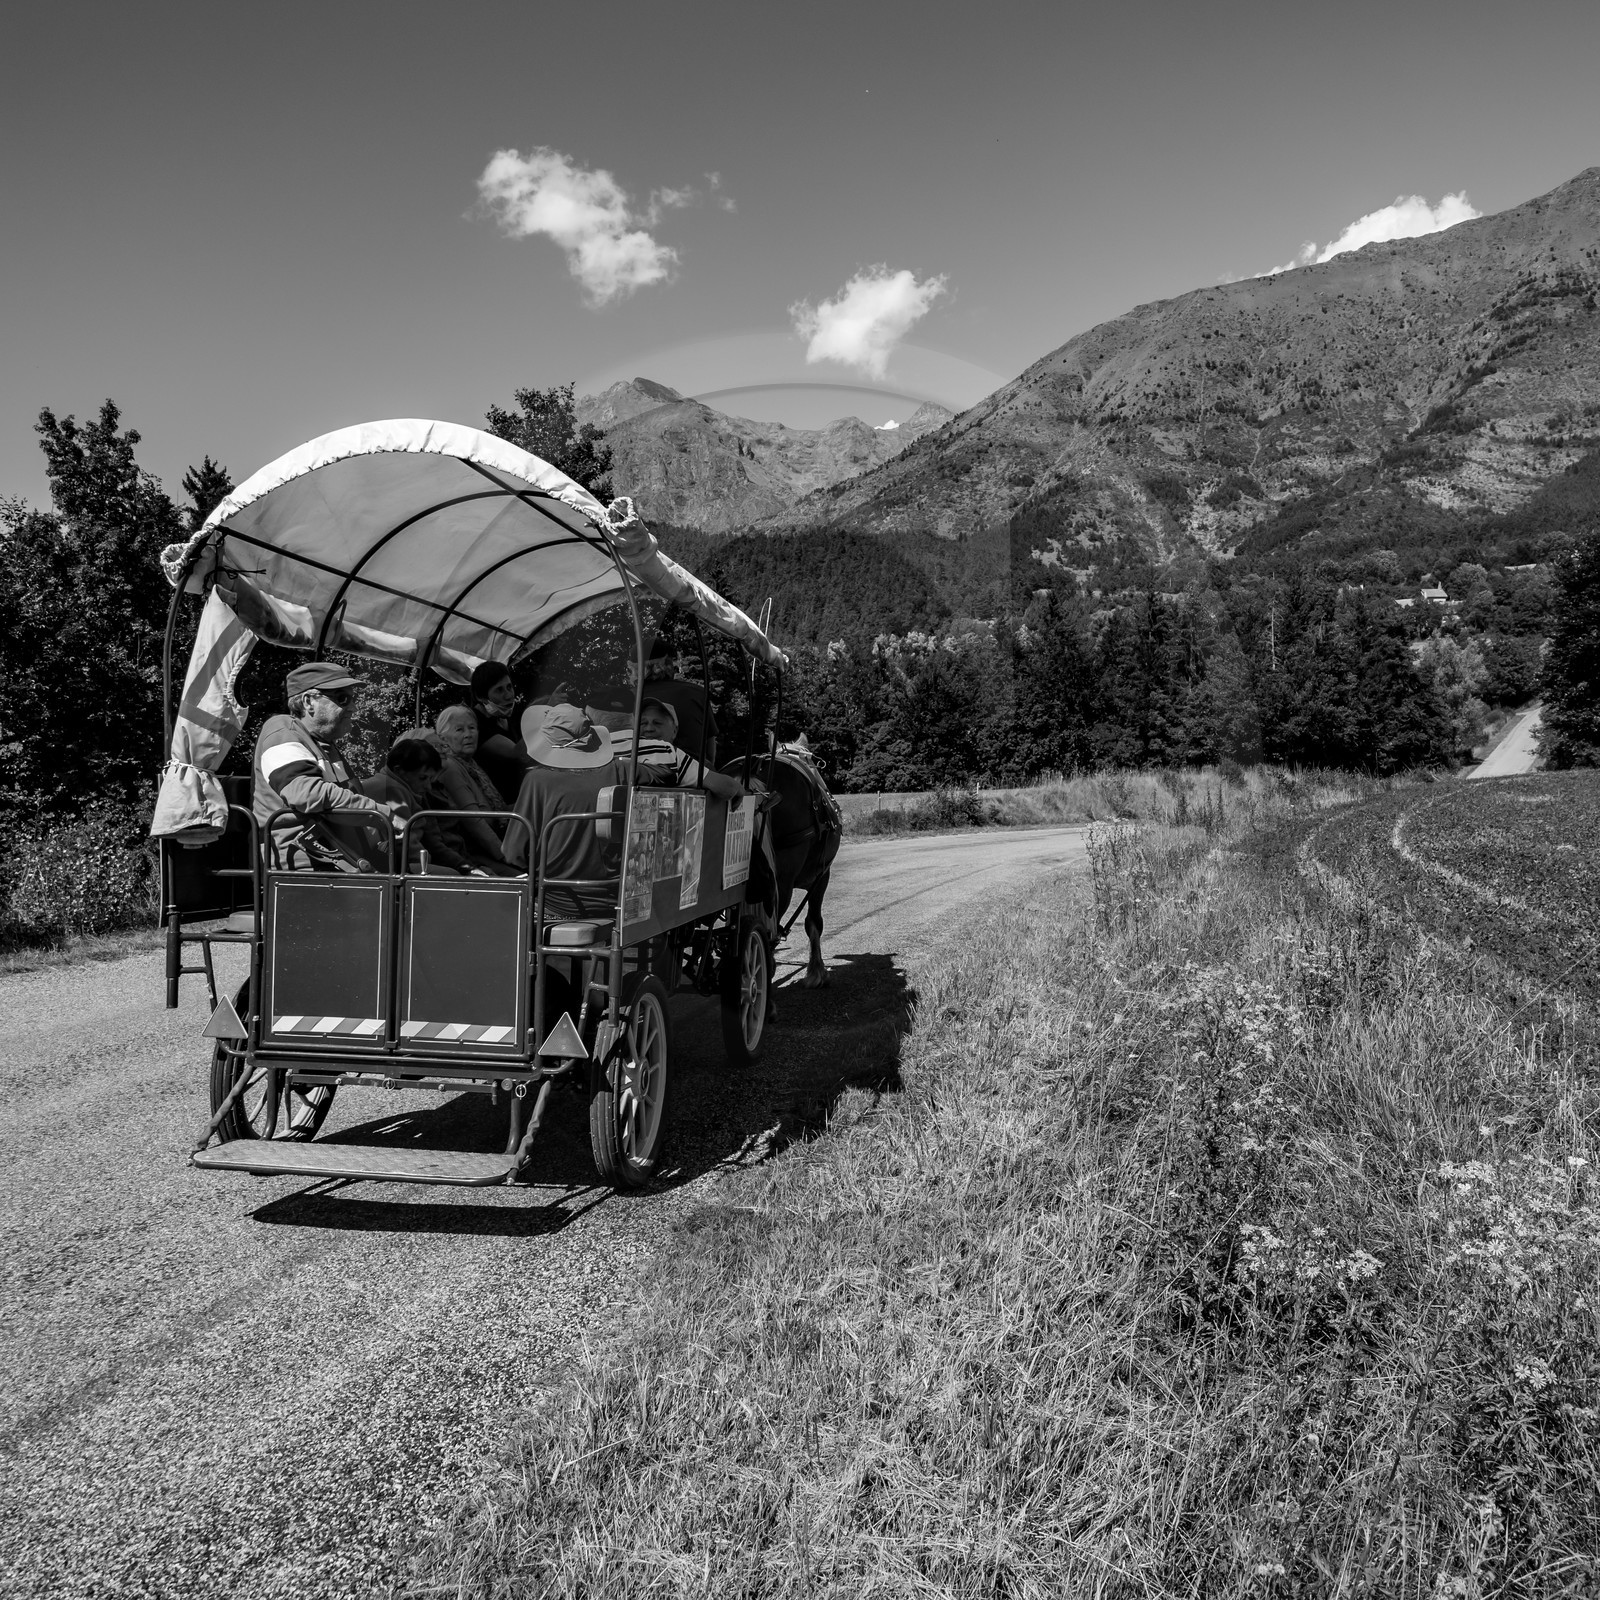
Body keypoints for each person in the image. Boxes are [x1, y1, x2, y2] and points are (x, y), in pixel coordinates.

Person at [252, 661, 401, 869]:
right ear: (308, 702)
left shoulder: (325, 746)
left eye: (352, 698)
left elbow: (347, 800)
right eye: (342, 698)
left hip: (349, 865)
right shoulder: (281, 730)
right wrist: (384, 816)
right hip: (309, 870)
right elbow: (306, 793)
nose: (353, 707)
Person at [502, 704, 622, 917]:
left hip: (559, 902)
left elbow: (514, 854)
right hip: (615, 897)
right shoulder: (620, 770)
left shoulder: (537, 780)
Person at [359, 737, 487, 876]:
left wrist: (464, 866)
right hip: (393, 866)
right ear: (399, 770)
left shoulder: (403, 788)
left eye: (431, 779)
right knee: (452, 876)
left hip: (399, 861)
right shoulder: (392, 792)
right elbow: (404, 844)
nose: (428, 786)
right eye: (423, 778)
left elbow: (431, 841)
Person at [429, 706, 520, 875]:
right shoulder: (450, 767)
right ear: (443, 738)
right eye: (459, 730)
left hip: (491, 844)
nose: (468, 734)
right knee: (526, 877)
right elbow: (474, 821)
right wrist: (506, 856)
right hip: (474, 853)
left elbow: (496, 809)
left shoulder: (470, 764)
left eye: (472, 728)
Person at [635, 698, 747, 801]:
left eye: (657, 723)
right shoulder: (676, 759)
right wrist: (738, 789)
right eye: (642, 723)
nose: (649, 728)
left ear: (675, 730)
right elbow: (727, 788)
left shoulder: (699, 765)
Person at [468, 660, 530, 804]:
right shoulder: (474, 722)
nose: (508, 695)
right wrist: (545, 717)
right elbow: (516, 752)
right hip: (503, 810)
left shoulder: (507, 717)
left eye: (509, 687)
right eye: (499, 690)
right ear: (481, 697)